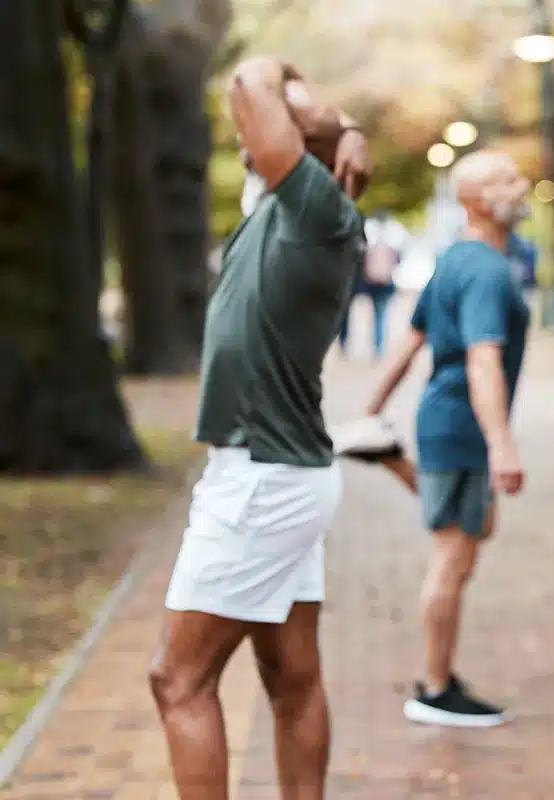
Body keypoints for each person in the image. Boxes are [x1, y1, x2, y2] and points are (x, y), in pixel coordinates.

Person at [148, 55, 370, 800]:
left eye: (285, 110)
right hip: (283, 473)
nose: (257, 116)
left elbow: (246, 80)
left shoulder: (315, 212)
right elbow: (265, 108)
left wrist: (284, 74)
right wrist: (347, 127)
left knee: (178, 678)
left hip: (262, 479)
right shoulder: (281, 200)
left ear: (302, 147)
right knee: (290, 677)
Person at [363, 148, 531, 727]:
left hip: (448, 423)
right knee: (454, 557)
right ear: (480, 201)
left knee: (477, 526)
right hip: (462, 426)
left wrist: (370, 410)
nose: (521, 182)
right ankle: (434, 689)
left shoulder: (456, 260)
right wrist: (502, 444)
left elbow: (409, 342)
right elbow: (484, 362)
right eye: (507, 179)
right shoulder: (484, 269)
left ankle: (388, 458)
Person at [337, 211, 402, 360]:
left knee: (368, 315)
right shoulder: (391, 242)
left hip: (368, 283)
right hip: (384, 284)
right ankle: (378, 347)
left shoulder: (365, 243)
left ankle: (347, 343)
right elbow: (397, 261)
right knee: (380, 315)